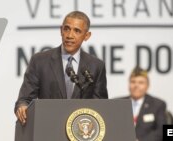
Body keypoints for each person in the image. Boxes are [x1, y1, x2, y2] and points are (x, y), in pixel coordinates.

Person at [14, 11, 108, 139]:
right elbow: (25, 99)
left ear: (87, 36)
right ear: (61, 30)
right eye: (67, 29)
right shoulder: (40, 61)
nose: (70, 35)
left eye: (77, 31)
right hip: (48, 131)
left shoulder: (96, 66)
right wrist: (22, 106)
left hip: (81, 136)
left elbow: (101, 107)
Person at [122, 67, 166, 141]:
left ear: (147, 86)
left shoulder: (157, 104)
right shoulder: (119, 103)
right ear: (129, 84)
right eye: (133, 82)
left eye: (141, 82)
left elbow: (161, 131)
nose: (136, 85)